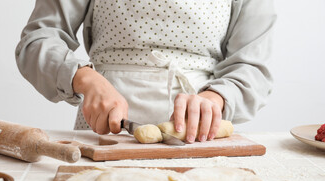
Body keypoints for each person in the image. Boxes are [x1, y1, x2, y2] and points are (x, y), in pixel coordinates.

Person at [15, 0, 276, 143]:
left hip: (199, 138)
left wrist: (215, 99)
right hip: (105, 135)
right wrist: (84, 77)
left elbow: (252, 66)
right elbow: (38, 40)